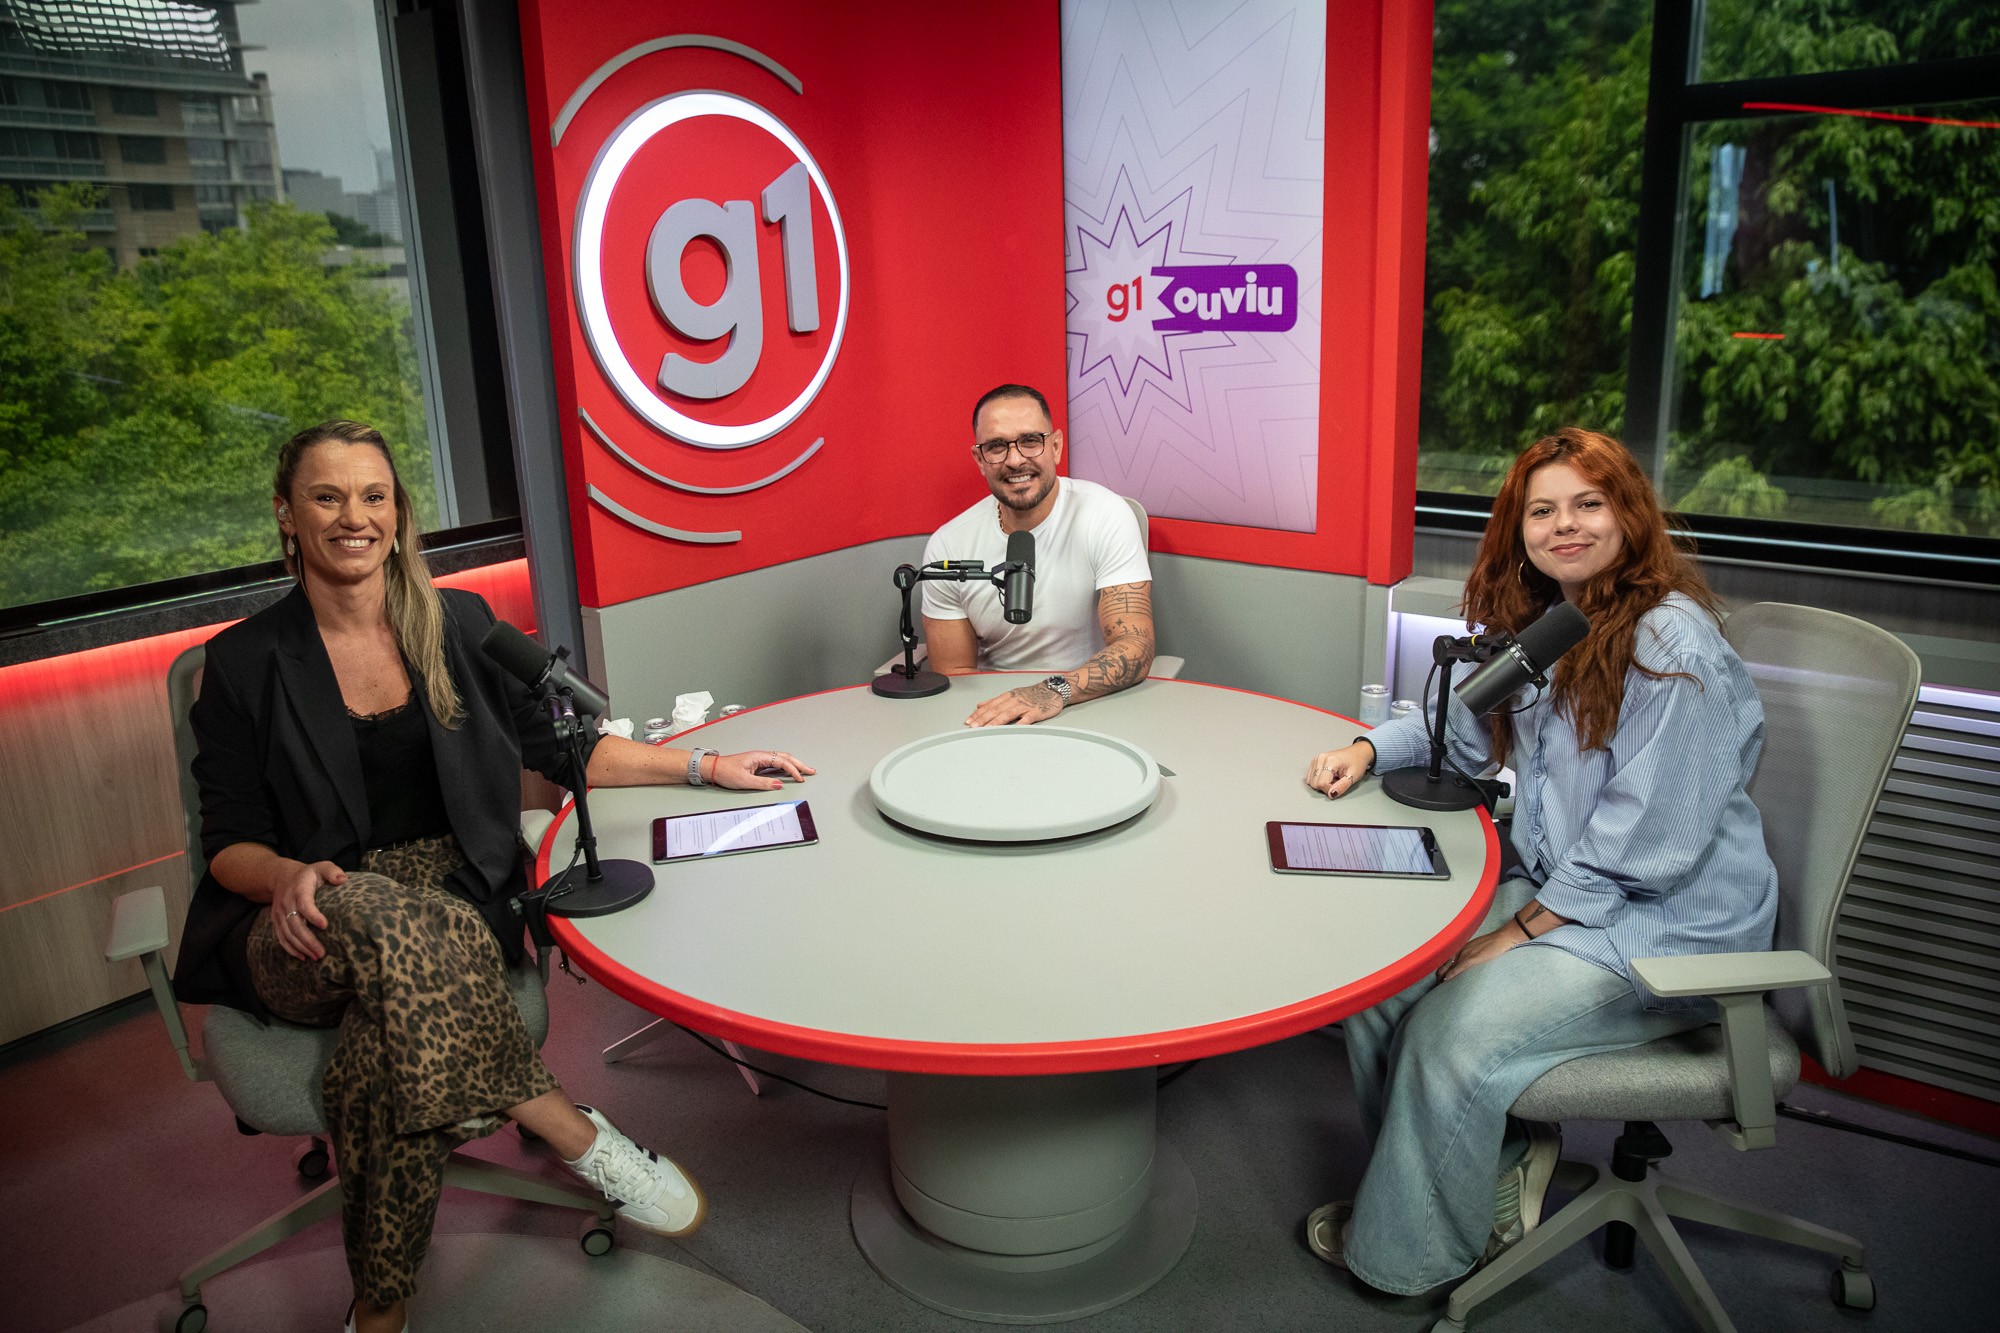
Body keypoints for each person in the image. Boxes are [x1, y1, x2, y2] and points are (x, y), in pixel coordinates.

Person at [174, 421, 815, 1333]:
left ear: (398, 514)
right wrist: (281, 874)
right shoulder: (246, 661)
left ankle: (380, 1308)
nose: (354, 516)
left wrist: (707, 766)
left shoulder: (462, 626)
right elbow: (228, 842)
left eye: (374, 495)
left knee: (384, 1045)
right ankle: (560, 1121)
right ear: (287, 514)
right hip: (305, 917)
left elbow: (568, 750)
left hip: (455, 896)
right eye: (327, 496)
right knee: (383, 915)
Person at [1298, 427, 1777, 1296]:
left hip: (1662, 930)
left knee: (1448, 1031)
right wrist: (1369, 748)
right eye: (1543, 510)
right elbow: (1459, 732)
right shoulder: (1555, 626)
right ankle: (1487, 1174)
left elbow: (1643, 847)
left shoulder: (1672, 644)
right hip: (1570, 894)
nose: (1566, 525)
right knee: (1384, 979)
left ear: (1627, 514)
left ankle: (1414, 1255)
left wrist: (1514, 932)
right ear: (1519, 529)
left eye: (1588, 504)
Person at [922, 383, 1157, 726]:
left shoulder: (1105, 514)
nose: (1015, 460)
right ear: (980, 460)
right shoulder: (949, 544)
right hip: (994, 712)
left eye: (1030, 441)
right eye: (997, 447)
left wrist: (1051, 691)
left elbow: (1135, 645)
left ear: (1056, 446)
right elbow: (955, 674)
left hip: (1088, 702)